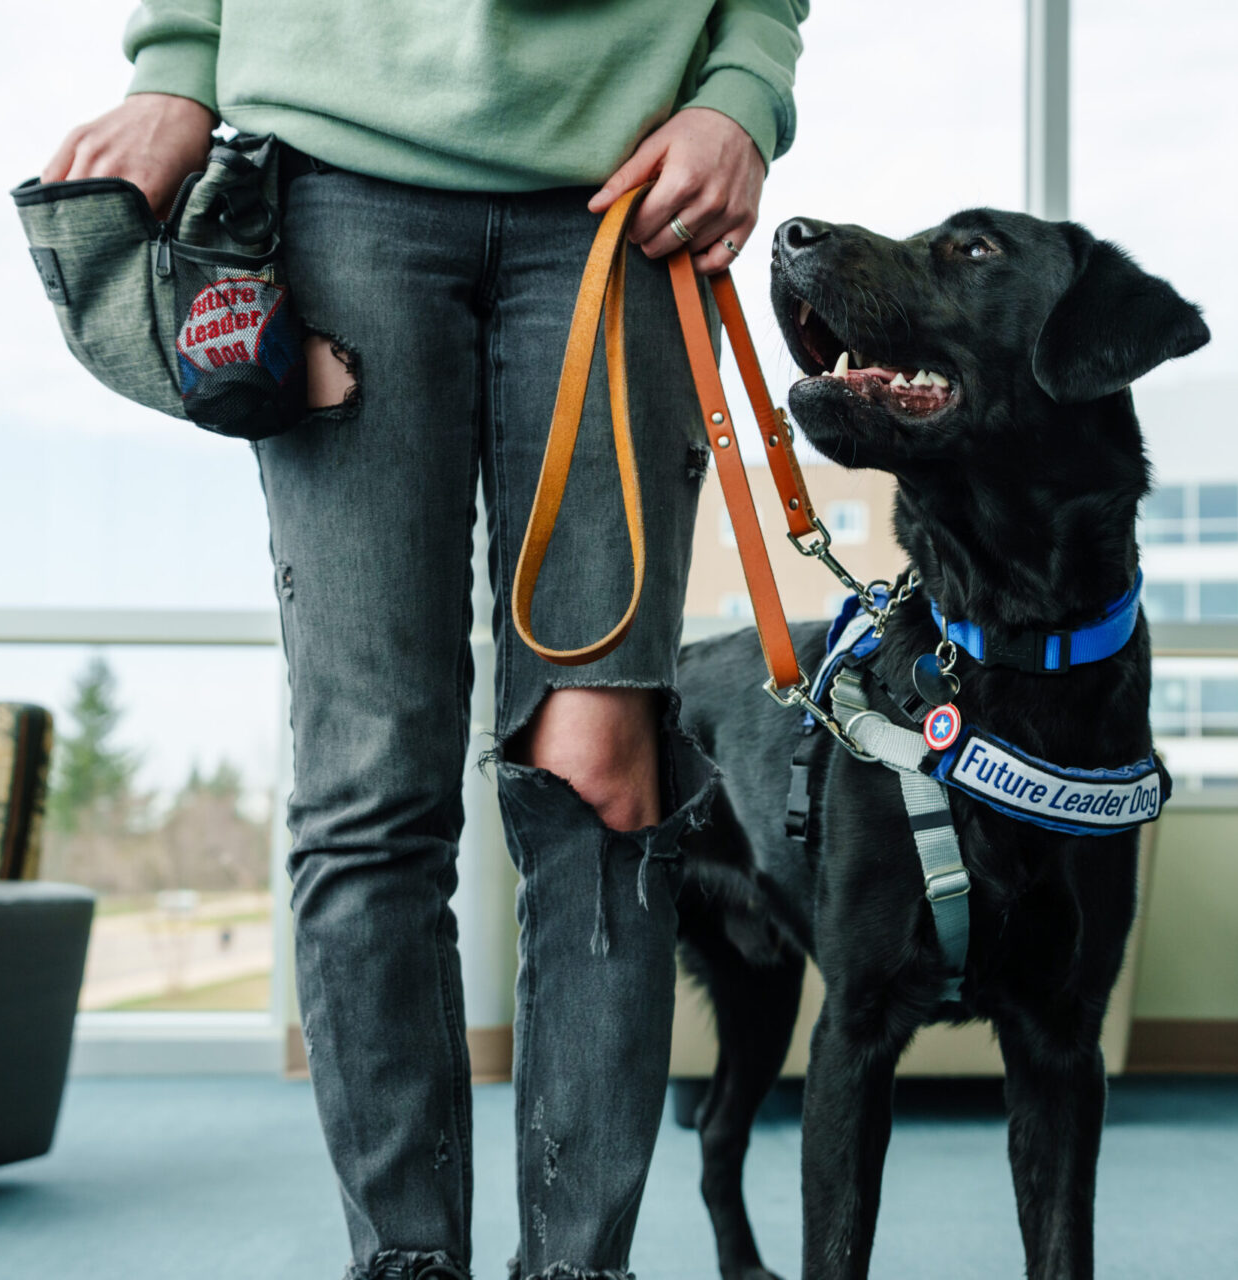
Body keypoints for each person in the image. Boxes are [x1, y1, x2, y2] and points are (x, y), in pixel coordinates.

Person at [44, 5, 808, 1279]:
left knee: (605, 784)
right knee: (371, 786)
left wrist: (742, 91)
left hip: (621, 200)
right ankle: (406, 1261)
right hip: (338, 185)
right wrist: (180, 63)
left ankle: (579, 1265)